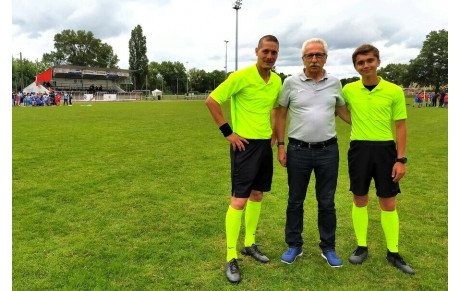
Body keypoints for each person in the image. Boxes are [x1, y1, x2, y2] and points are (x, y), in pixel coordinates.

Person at [205, 35, 282, 284]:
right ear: (257, 51)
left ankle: (249, 244)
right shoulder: (241, 76)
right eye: (266, 51)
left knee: (257, 195)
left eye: (274, 53)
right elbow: (212, 100)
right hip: (244, 145)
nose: (269, 56)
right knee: (238, 201)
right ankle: (230, 255)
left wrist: (273, 132)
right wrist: (228, 132)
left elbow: (273, 109)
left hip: (264, 146)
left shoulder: (277, 80)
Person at [275, 38, 351, 267]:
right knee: (295, 200)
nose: (314, 59)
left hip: (328, 150)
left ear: (326, 57)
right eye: (310, 55)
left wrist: (370, 124)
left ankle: (328, 248)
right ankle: (294, 245)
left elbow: (343, 112)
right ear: (303, 59)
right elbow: (280, 114)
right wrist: (280, 145)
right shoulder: (290, 83)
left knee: (326, 201)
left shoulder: (335, 83)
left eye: (319, 55)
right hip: (298, 150)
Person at [342, 44, 414, 275]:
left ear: (378, 62)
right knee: (359, 199)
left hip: (386, 151)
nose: (365, 66)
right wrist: (357, 122)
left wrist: (400, 159)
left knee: (388, 202)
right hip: (359, 150)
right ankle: (361, 246)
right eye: (360, 63)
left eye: (369, 61)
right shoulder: (348, 90)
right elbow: (337, 109)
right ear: (355, 66)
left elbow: (400, 125)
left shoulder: (393, 90)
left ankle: (393, 252)